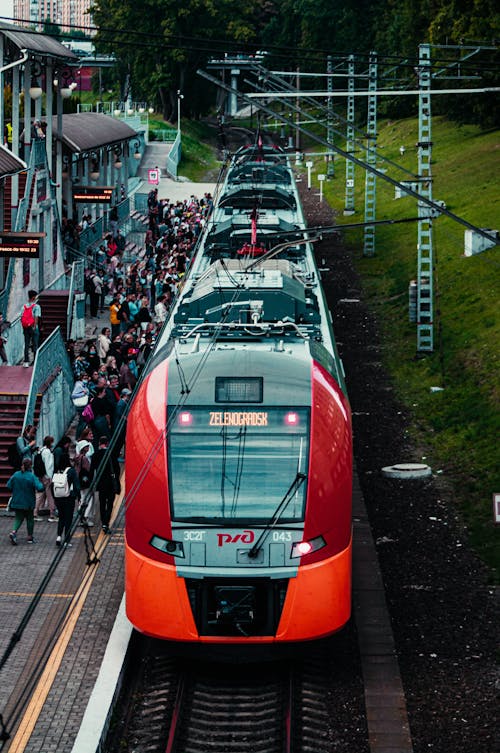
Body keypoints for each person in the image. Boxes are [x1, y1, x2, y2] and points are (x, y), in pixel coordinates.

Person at [7, 457, 44, 544]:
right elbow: (40, 487)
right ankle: (30, 537)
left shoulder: (16, 474)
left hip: (17, 501)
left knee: (18, 518)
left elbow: (8, 485)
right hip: (28, 502)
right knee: (30, 519)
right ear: (30, 466)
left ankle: (14, 532)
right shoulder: (31, 476)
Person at [91, 436, 120, 533]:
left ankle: (103, 521)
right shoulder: (112, 454)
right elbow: (117, 470)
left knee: (102, 503)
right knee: (110, 503)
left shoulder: (95, 454)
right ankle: (106, 522)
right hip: (111, 483)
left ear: (99, 443)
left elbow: (92, 470)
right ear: (107, 443)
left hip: (101, 483)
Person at [52, 455, 80, 547]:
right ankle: (66, 540)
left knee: (61, 518)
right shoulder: (71, 471)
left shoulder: (57, 471)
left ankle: (58, 537)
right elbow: (76, 485)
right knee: (68, 519)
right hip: (69, 498)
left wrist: (55, 498)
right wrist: (77, 496)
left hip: (58, 498)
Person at [33, 435, 57, 522]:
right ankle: (52, 514)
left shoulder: (41, 450)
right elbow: (49, 465)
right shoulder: (47, 452)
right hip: (46, 476)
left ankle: (36, 512)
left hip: (41, 475)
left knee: (41, 494)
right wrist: (50, 476)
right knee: (49, 495)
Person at [21, 289, 41, 367]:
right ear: (33, 297)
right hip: (33, 327)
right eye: (36, 296)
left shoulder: (24, 306)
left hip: (26, 327)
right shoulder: (36, 306)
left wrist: (24, 326)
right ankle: (35, 361)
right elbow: (36, 317)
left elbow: (22, 318)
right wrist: (34, 326)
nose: (36, 298)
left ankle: (26, 362)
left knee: (26, 344)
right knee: (35, 344)